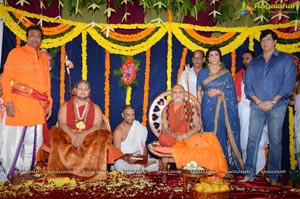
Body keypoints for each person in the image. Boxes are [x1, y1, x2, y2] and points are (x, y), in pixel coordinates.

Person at [241, 29, 296, 185]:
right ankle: (249, 174)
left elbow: (288, 83)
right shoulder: (254, 62)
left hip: (277, 105)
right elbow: (248, 86)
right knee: (252, 139)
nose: (264, 43)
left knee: (275, 141)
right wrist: (259, 102)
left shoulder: (285, 60)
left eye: (268, 40)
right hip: (257, 105)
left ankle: (273, 177)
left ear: (275, 42)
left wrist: (272, 101)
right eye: (262, 40)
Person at [1, 25, 52, 184]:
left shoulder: (43, 57)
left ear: (41, 39)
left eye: (38, 36)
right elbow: (6, 77)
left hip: (37, 106)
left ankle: (26, 170)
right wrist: (8, 101)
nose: (35, 38)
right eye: (32, 35)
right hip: (19, 104)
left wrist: (49, 102)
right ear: (26, 37)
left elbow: (47, 83)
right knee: (15, 139)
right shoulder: (16, 53)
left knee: (33, 139)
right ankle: (12, 172)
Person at [47, 80, 123, 181]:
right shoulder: (65, 106)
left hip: (88, 137)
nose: (83, 91)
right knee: (55, 133)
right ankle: (63, 173)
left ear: (89, 91)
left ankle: (92, 175)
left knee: (103, 135)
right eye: (80, 89)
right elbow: (62, 124)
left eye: (85, 89)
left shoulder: (96, 108)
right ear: (75, 90)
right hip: (69, 136)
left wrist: (82, 136)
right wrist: (73, 137)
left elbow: (96, 126)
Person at [157, 84, 228, 177]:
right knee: (162, 138)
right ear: (171, 94)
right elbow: (165, 129)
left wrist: (186, 135)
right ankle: (182, 145)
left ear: (184, 95)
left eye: (180, 92)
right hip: (173, 138)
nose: (177, 95)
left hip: (188, 138)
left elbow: (198, 126)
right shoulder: (166, 109)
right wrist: (175, 136)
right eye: (175, 92)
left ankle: (213, 171)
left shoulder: (191, 107)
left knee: (209, 138)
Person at [197, 46, 244, 171]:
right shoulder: (202, 72)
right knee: (209, 134)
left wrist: (219, 91)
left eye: (216, 55)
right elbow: (198, 92)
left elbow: (232, 93)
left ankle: (221, 166)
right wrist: (200, 108)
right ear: (207, 58)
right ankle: (209, 165)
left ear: (219, 57)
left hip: (223, 107)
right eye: (211, 55)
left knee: (220, 134)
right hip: (207, 107)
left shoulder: (226, 73)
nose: (214, 57)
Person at [234, 50, 268, 174]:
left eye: (247, 58)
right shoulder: (239, 75)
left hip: (258, 109)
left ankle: (259, 170)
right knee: (244, 138)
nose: (245, 61)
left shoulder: (262, 74)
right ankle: (247, 169)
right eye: (243, 59)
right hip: (243, 111)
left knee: (258, 138)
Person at [113, 105, 158, 172]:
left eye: (133, 114)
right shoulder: (118, 131)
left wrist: (144, 160)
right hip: (124, 160)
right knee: (118, 164)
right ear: (123, 115)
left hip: (138, 158)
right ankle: (141, 169)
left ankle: (141, 168)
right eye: (128, 115)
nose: (131, 117)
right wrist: (127, 158)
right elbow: (116, 153)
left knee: (158, 163)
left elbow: (143, 146)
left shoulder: (138, 127)